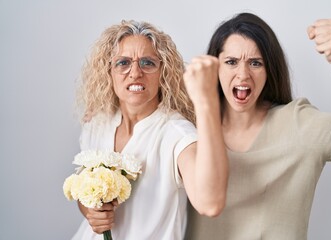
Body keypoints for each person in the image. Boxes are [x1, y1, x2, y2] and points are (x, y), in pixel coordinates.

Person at [183, 12, 331, 239]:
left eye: (255, 63)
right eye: (231, 62)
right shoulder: (188, 128)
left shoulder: (298, 124)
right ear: (214, 69)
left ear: (270, 70)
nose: (243, 74)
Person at [71, 20, 228, 240]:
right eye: (123, 63)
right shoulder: (96, 124)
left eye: (147, 63)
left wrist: (206, 101)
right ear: (109, 71)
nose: (135, 73)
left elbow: (209, 204)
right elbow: (83, 195)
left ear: (163, 72)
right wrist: (91, 212)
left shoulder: (177, 134)